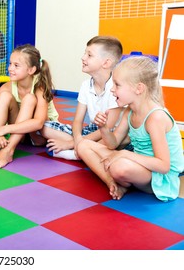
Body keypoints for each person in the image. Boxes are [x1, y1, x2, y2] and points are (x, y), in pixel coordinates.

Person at [77, 56, 184, 201]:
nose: (112, 90)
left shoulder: (155, 117)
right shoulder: (129, 111)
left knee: (119, 167)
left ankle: (120, 179)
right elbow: (113, 144)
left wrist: (123, 155)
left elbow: (163, 165)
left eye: (117, 85)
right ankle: (113, 183)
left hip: (160, 177)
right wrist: (103, 128)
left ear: (139, 88)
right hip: (140, 167)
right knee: (83, 145)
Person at [0, 44, 59, 168]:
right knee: (4, 96)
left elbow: (38, 123)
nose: (10, 68)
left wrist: (4, 129)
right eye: (10, 64)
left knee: (29, 99)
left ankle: (8, 150)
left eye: (16, 65)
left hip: (40, 136)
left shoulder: (40, 87)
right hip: (21, 135)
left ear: (31, 70)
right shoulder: (8, 86)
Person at [42, 36, 125, 160]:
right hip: (92, 130)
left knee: (114, 139)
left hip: (112, 133)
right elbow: (77, 121)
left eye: (89, 55)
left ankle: (77, 153)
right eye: (84, 53)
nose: (83, 57)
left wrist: (71, 143)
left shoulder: (116, 87)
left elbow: (109, 126)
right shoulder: (86, 85)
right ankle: (86, 149)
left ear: (106, 63)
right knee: (43, 126)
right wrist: (78, 139)